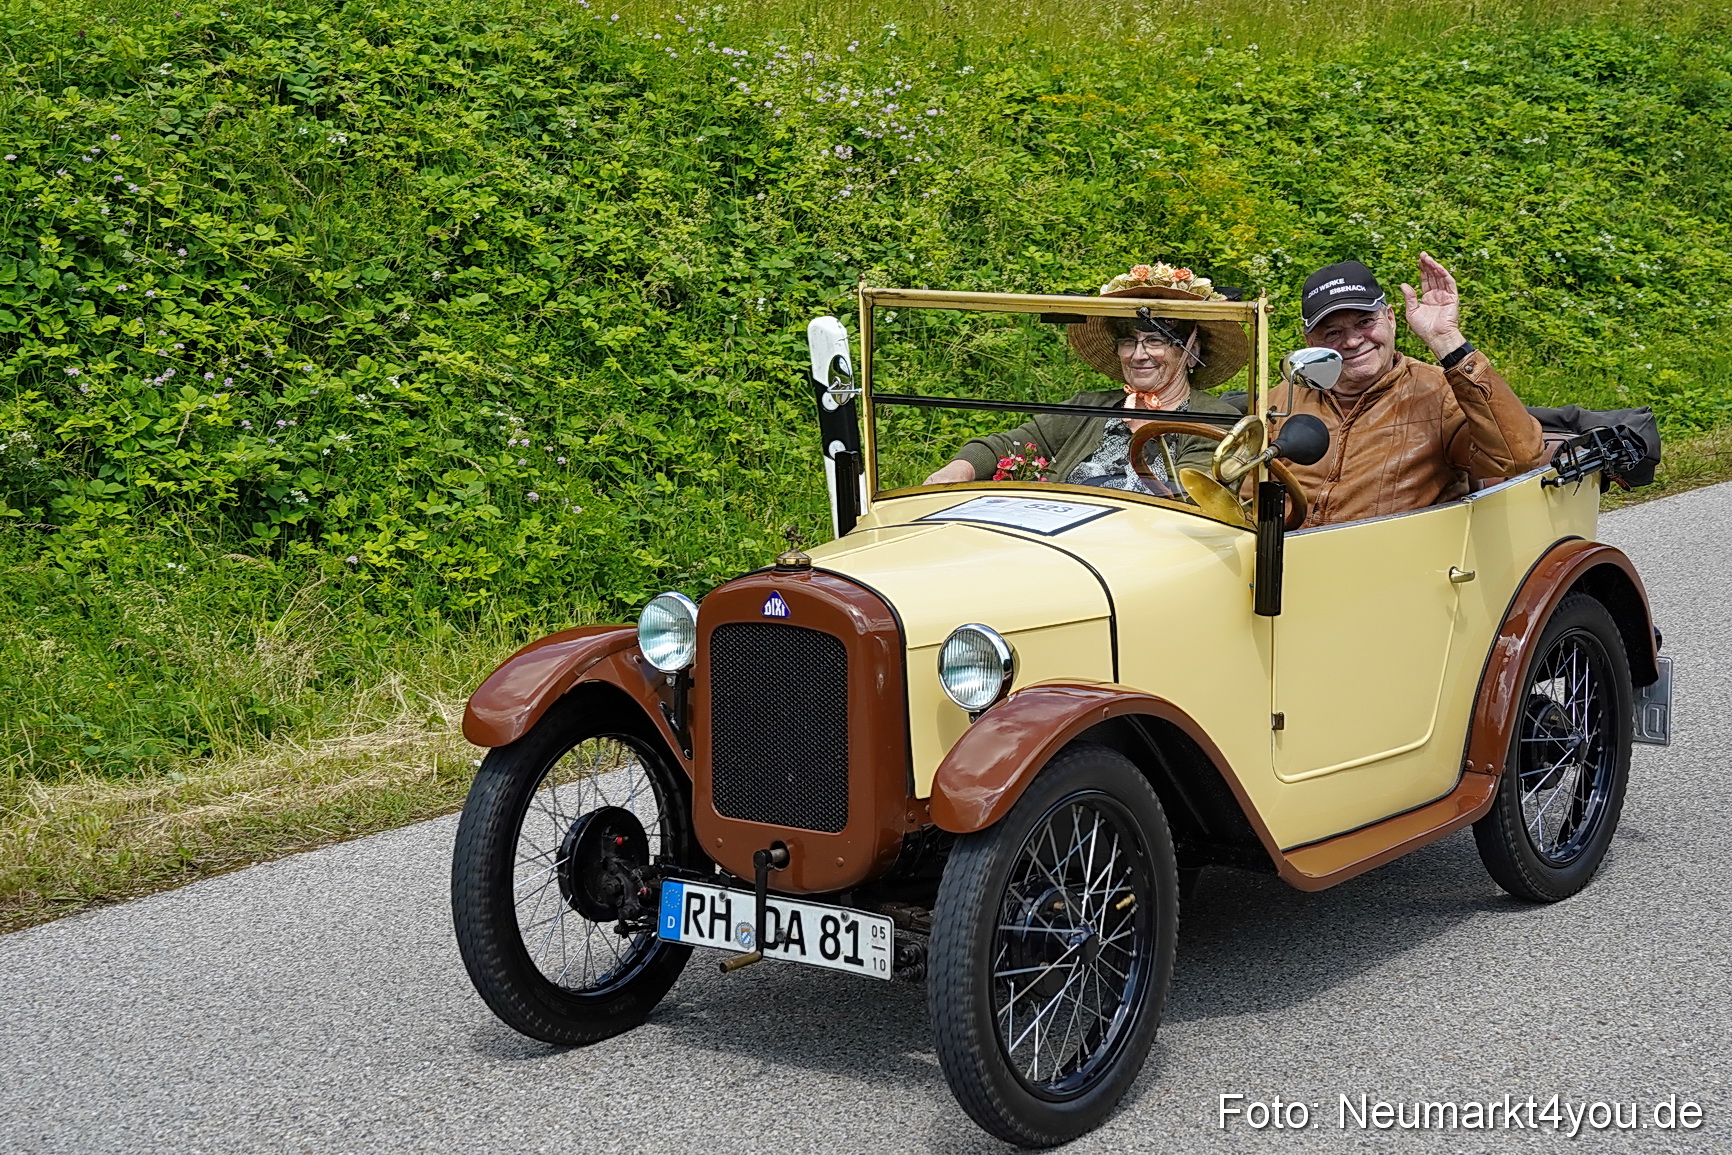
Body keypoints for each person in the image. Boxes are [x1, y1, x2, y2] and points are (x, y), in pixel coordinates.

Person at [922, 263, 1246, 492]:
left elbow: (1193, 491)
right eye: (1128, 342)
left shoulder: (1215, 418)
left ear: (1191, 351)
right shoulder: (1090, 406)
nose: (1138, 354)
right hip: (1063, 542)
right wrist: (956, 471)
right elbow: (1007, 444)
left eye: (1156, 341)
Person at [1281, 253, 1547, 527]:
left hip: (1393, 561)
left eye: (1365, 322)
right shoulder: (1282, 398)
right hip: (1283, 560)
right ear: (1310, 342)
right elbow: (1244, 496)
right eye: (1333, 332)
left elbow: (1517, 458)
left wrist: (1447, 341)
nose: (1352, 341)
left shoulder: (1440, 393)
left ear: (1391, 317)